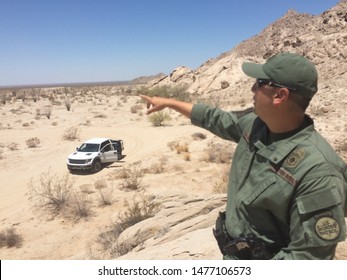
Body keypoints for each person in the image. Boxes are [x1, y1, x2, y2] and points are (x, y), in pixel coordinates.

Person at [140, 52, 347, 260]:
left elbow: (307, 260)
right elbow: (218, 119)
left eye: (260, 83)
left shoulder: (319, 172)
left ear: (280, 96)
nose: (252, 88)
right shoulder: (257, 124)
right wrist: (170, 103)